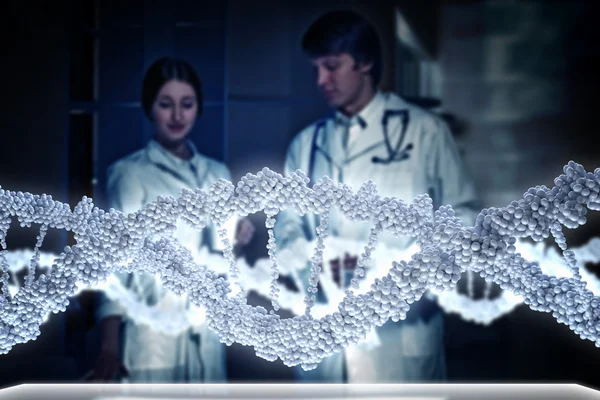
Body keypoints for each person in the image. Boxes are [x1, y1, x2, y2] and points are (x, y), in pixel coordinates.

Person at [274, 11, 480, 383]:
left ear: (365, 62)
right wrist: (313, 264)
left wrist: (401, 273)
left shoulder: (425, 133)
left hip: (399, 336)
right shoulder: (306, 145)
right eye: (316, 69)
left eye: (332, 66)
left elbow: (462, 221)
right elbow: (288, 230)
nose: (322, 80)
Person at [88, 57, 254, 383]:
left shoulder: (217, 174)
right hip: (153, 337)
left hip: (206, 335)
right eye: (166, 104)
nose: (177, 116)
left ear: (198, 108)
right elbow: (115, 261)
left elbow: (225, 266)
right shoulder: (129, 174)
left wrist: (238, 243)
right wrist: (108, 346)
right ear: (150, 108)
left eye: (187, 104)